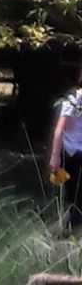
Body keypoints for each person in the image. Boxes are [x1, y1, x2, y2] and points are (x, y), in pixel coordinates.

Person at [47, 67, 82, 232]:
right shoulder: (74, 100)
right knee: (74, 195)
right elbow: (60, 129)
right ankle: (71, 228)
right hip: (73, 153)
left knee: (76, 196)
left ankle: (72, 227)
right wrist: (55, 157)